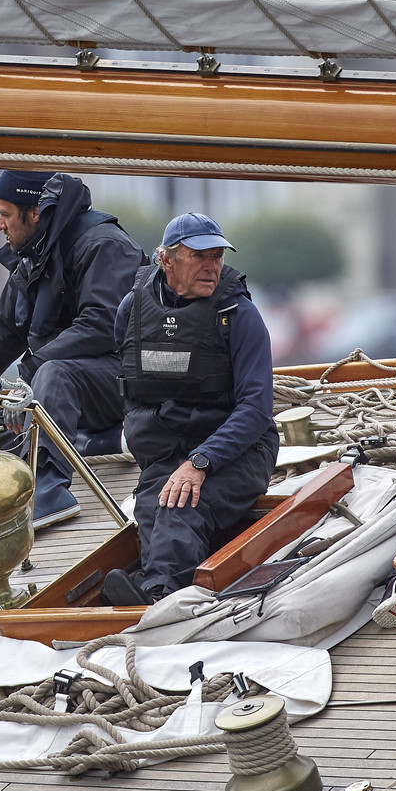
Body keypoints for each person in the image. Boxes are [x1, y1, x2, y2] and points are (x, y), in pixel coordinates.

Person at [105, 212, 278, 605]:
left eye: (217, 256)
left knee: (180, 505)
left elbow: (256, 410)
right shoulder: (131, 312)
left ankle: (160, 596)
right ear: (166, 261)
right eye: (199, 256)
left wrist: (201, 461)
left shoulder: (240, 316)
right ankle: (158, 590)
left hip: (239, 453)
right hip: (166, 451)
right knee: (151, 505)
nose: (211, 266)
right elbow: (132, 389)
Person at [0, 170, 144, 530]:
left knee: (52, 375)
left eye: (5, 214)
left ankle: (50, 491)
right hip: (60, 390)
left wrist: (31, 374)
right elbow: (0, 337)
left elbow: (104, 325)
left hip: (125, 383)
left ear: (36, 213)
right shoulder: (32, 257)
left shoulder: (104, 245)